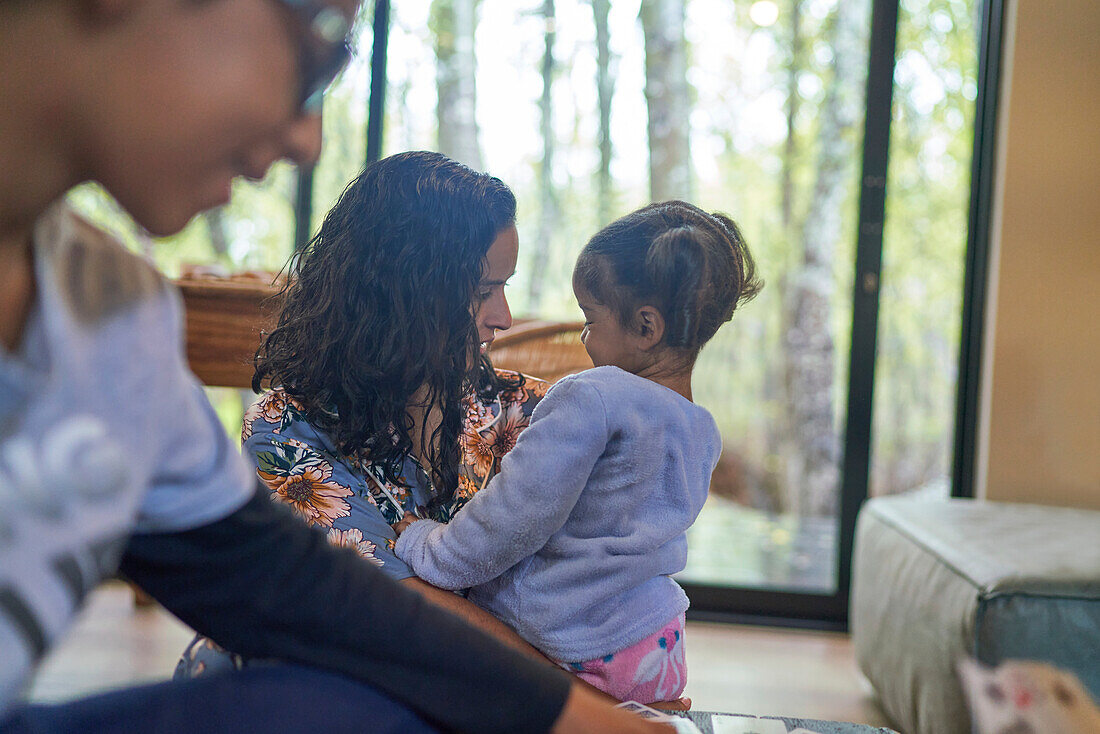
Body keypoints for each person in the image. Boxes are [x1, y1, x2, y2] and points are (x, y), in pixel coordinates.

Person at [0, 1, 675, 732]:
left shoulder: (111, 315)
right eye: (316, 44)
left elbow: (291, 588)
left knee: (350, 705)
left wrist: (596, 718)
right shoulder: (289, 425)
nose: (306, 138)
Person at [176, 150, 560, 676]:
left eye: (505, 287)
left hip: (468, 687)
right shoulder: (287, 428)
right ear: (401, 293)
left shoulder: (529, 413)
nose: (504, 318)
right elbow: (403, 612)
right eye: (480, 292)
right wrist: (600, 711)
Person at [392, 201, 763, 703]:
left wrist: (425, 545)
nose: (584, 337)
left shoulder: (592, 397)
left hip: (574, 643)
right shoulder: (701, 430)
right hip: (657, 645)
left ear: (646, 327)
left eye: (590, 320)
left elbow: (514, 517)